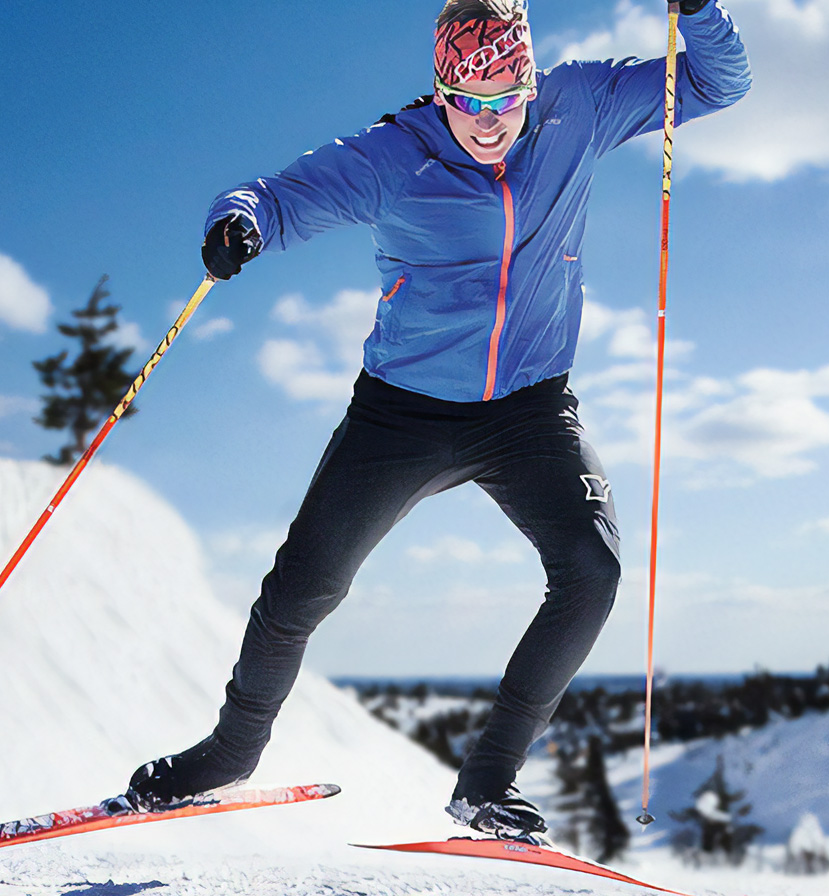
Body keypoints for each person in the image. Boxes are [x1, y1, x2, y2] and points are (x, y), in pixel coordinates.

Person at [127, 0, 750, 841]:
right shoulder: (395, 154)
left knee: (591, 571)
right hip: (404, 411)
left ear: (532, 83)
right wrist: (239, 224)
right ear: (440, 91)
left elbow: (717, 82)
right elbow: (273, 197)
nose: (488, 122)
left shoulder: (581, 106)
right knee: (302, 588)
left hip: (529, 408)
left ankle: (487, 785)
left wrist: (701, 9)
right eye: (467, 100)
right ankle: (230, 753)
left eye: (505, 99)